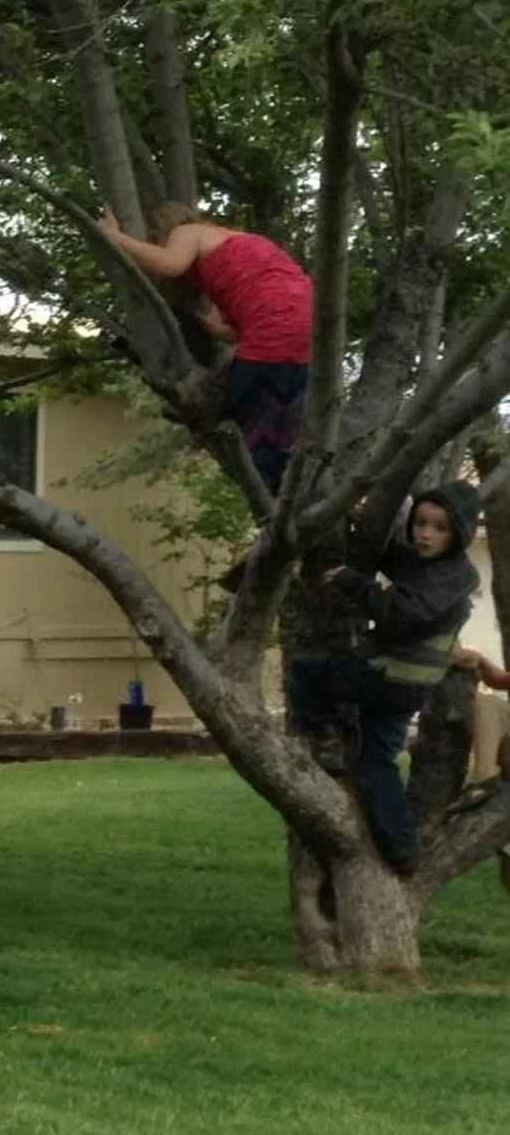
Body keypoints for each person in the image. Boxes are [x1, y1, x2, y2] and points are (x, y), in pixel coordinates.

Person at [287, 482, 483, 870]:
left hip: (385, 677)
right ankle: (402, 851)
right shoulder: (439, 568)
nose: (425, 534)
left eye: (439, 527)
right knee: (377, 763)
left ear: (458, 532)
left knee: (306, 672)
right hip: (410, 688)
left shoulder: (447, 577)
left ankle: (327, 732)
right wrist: (366, 529)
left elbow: (399, 611)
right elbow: (401, 561)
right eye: (421, 523)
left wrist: (351, 582)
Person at [97, 202, 314, 495]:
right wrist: (210, 325)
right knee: (280, 420)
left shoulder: (190, 231)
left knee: (243, 412)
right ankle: (301, 491)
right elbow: (233, 333)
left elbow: (169, 263)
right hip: (307, 329)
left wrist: (114, 237)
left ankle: (273, 501)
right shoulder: (236, 246)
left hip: (273, 326)